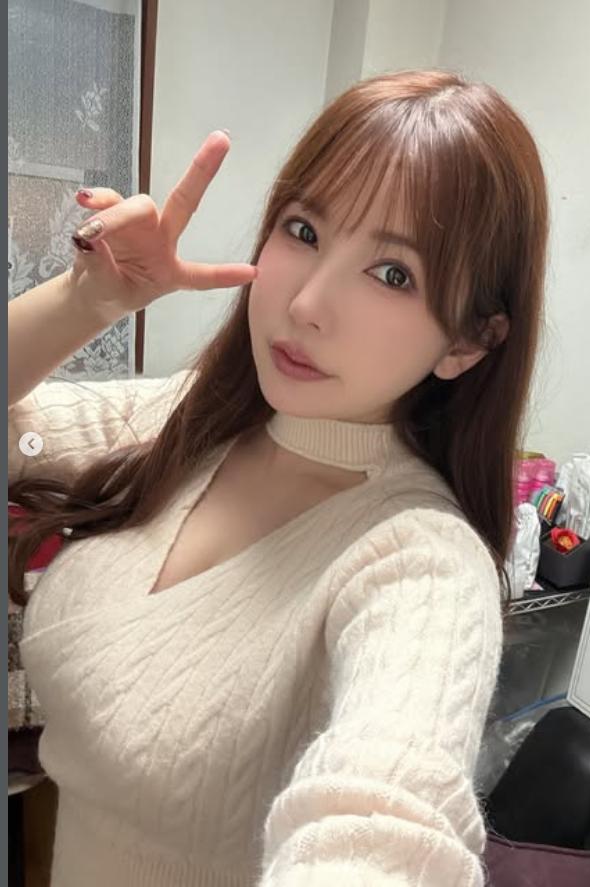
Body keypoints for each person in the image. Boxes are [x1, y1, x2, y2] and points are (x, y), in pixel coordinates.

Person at [8, 68, 549, 886]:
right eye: (303, 230)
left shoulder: (421, 567)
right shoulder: (187, 420)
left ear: (469, 341)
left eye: (393, 273)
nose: (306, 304)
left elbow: (386, 831)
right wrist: (91, 299)